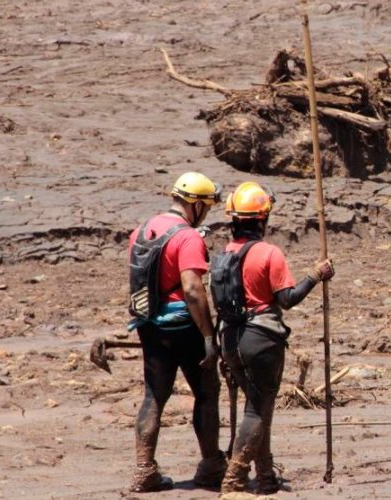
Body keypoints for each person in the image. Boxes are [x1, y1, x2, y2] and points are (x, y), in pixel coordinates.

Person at [211, 181, 333, 494]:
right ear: (262, 220)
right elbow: (287, 299)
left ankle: (265, 476)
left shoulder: (223, 255)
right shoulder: (269, 253)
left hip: (230, 338)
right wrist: (316, 276)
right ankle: (235, 478)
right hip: (261, 339)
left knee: (258, 405)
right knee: (258, 409)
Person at [126, 172, 227, 492]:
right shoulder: (188, 238)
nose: (207, 212)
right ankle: (211, 465)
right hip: (184, 326)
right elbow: (193, 290)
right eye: (207, 207)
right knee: (207, 392)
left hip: (149, 325)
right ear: (195, 205)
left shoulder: (142, 230)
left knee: (154, 396)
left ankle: (144, 469)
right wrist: (209, 338)